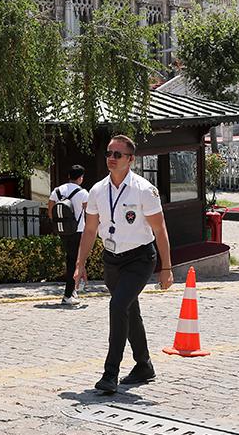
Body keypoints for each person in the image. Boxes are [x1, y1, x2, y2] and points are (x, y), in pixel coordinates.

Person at [74, 134, 174, 394]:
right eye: (109, 153)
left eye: (117, 154)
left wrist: (166, 268)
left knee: (118, 307)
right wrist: (80, 264)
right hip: (112, 260)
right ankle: (144, 365)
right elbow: (90, 230)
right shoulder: (97, 190)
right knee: (129, 311)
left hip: (140, 258)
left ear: (130, 160)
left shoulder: (144, 190)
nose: (111, 158)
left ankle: (110, 374)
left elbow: (160, 230)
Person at [48, 164, 89, 306]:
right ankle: (68, 295)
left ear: (68, 176)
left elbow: (50, 211)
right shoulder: (83, 193)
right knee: (74, 262)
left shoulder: (57, 190)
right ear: (81, 178)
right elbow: (90, 213)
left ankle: (73, 290)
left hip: (63, 231)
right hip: (77, 231)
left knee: (71, 259)